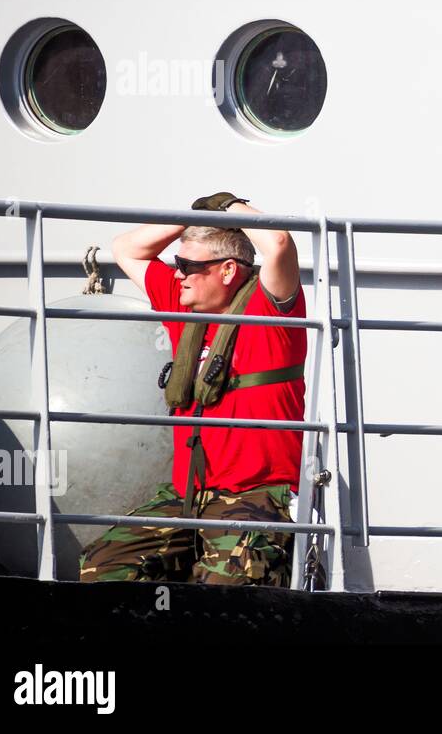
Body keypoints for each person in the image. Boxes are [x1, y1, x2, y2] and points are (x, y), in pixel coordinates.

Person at [79, 192, 306, 586]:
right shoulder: (182, 304)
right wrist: (191, 218)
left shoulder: (271, 310)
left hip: (255, 498)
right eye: (177, 264)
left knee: (227, 583)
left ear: (228, 270)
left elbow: (280, 243)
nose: (178, 273)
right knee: (103, 566)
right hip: (186, 496)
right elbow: (126, 249)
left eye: (188, 265)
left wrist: (228, 206)